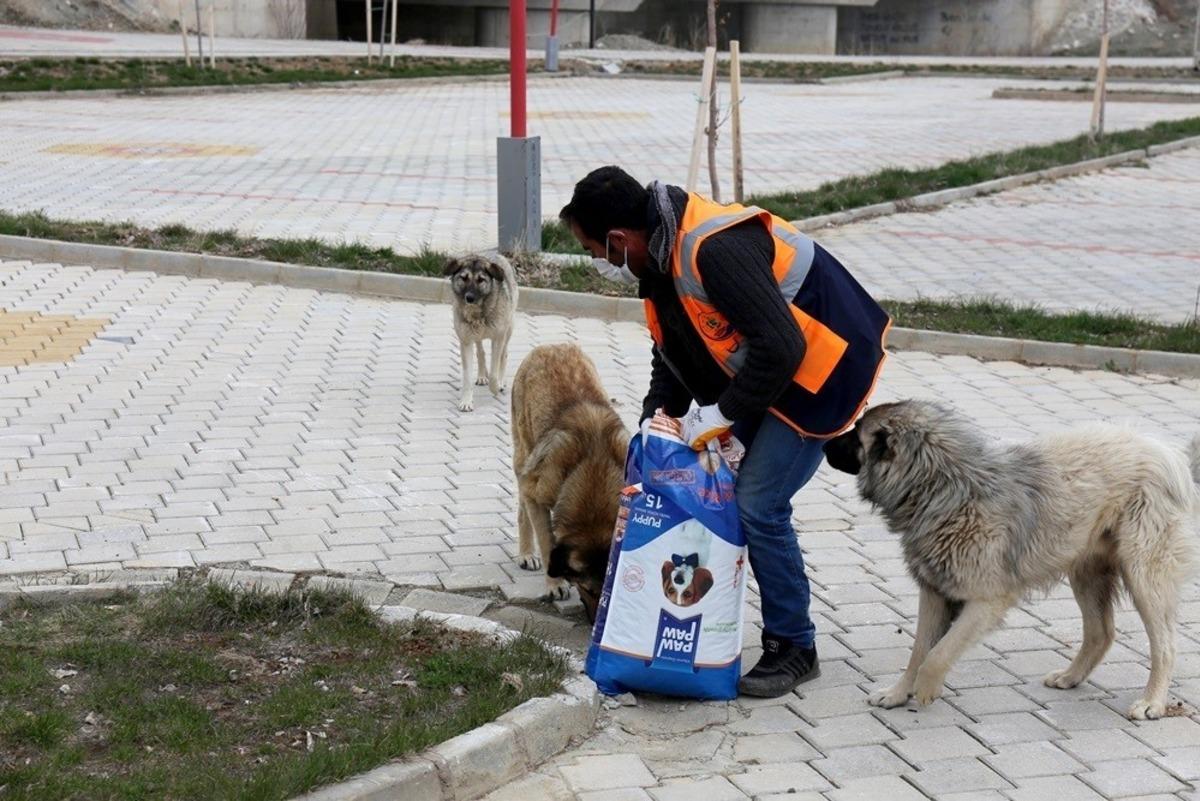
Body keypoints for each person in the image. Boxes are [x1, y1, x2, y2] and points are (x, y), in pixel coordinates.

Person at [560, 166, 891, 697]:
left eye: (598, 253)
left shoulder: (712, 250)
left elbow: (784, 347)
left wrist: (722, 414)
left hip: (821, 371)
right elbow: (674, 352)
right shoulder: (661, 264)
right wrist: (656, 422)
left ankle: (794, 645)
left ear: (620, 240)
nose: (601, 264)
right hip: (768, 370)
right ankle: (717, 625)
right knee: (727, 493)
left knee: (758, 502)